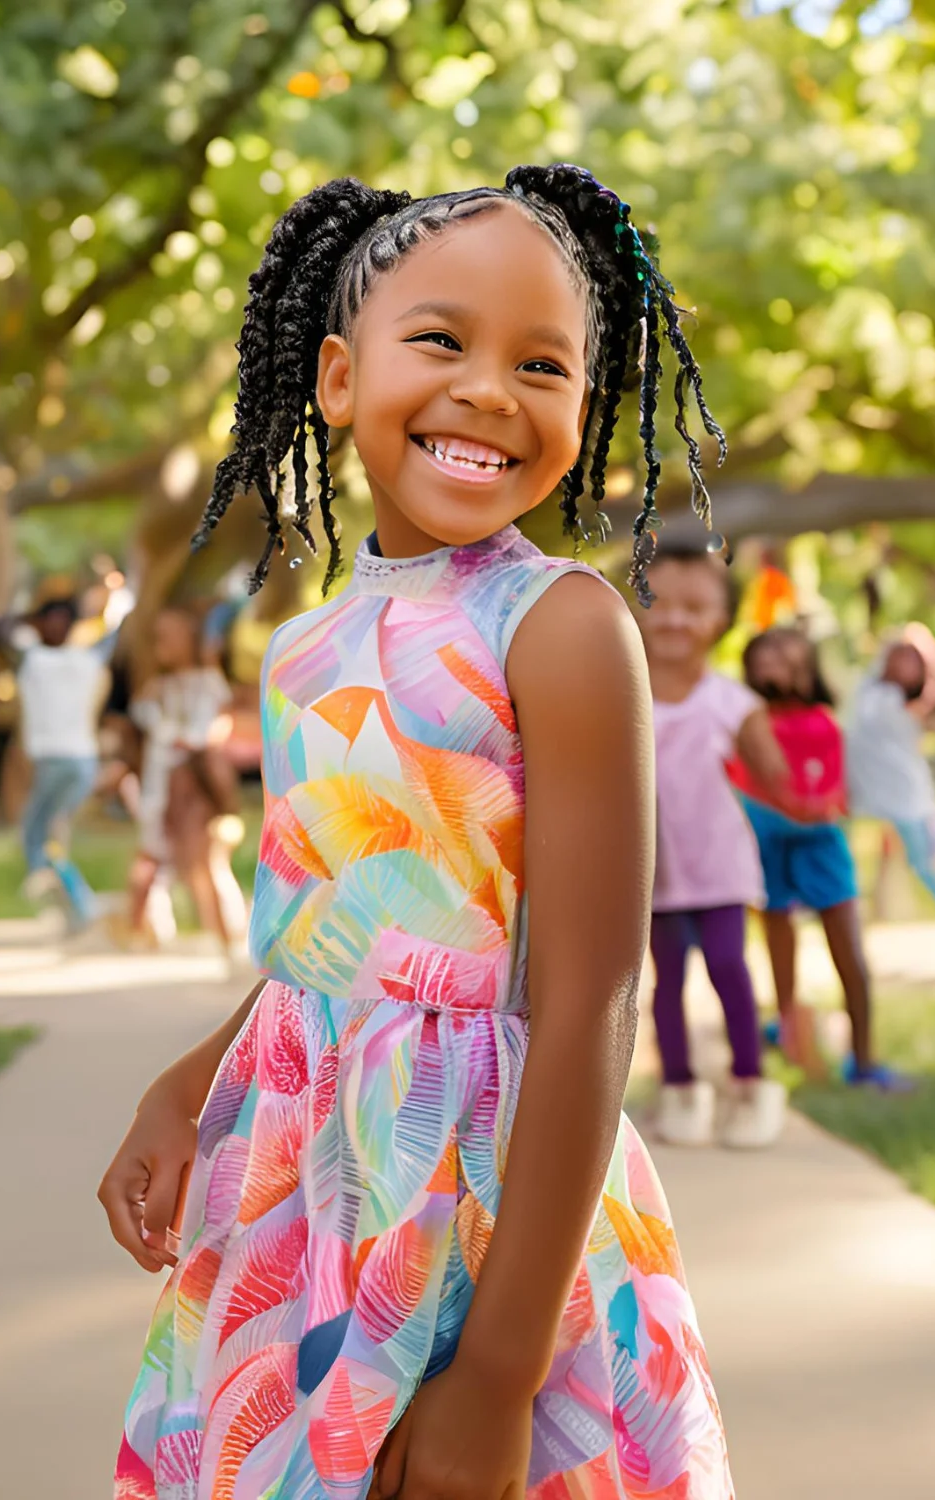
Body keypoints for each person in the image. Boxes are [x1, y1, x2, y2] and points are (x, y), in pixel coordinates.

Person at [97, 167, 733, 1499]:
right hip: (304, 1181)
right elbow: (324, 935)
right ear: (337, 376)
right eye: (441, 341)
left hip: (491, 1192)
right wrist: (188, 1086)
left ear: (584, 411)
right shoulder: (303, 647)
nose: (492, 390)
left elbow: (589, 992)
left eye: (543, 364)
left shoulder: (558, 627)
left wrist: (500, 1374)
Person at [640, 542, 790, 1149]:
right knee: (665, 979)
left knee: (729, 967)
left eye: (694, 607)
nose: (676, 619)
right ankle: (680, 1087)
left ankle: (751, 1083)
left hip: (719, 862)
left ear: (722, 620)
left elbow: (775, 774)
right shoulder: (618, 694)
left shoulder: (731, 701)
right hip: (653, 870)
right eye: (659, 602)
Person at [735, 625, 912, 1092]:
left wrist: (811, 807)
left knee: (848, 949)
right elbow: (741, 775)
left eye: (785, 654)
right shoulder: (747, 721)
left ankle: (865, 1056)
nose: (773, 661)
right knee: (777, 937)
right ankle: (790, 1028)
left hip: (820, 842)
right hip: (768, 842)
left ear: (807, 668)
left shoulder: (823, 722)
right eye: (765, 652)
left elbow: (836, 788)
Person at [846, 624, 935, 975]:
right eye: (898, 655)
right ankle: (860, 937)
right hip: (863, 794)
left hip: (906, 795)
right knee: (861, 869)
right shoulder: (866, 687)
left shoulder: (917, 701)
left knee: (929, 865)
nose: (902, 664)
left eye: (911, 659)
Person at [119, 608, 247, 961]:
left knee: (204, 865)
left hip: (196, 787)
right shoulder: (155, 689)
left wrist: (191, 745)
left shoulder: (207, 683)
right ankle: (148, 934)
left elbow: (215, 727)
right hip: (162, 789)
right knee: (151, 861)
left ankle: (229, 943)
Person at [0, 594, 117, 934]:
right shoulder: (43, 657)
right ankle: (72, 908)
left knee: (39, 835)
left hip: (66, 760)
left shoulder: (43, 657)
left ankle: (79, 903)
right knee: (47, 835)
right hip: (70, 761)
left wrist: (31, 617)